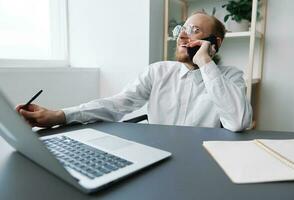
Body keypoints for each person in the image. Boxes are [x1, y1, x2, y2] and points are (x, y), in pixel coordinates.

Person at [16, 11, 252, 132]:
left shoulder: (231, 77)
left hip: (203, 163)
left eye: (195, 30)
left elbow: (238, 122)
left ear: (215, 42)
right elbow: (117, 104)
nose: (182, 35)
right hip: (160, 157)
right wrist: (60, 115)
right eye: (182, 29)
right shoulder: (158, 71)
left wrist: (205, 63)